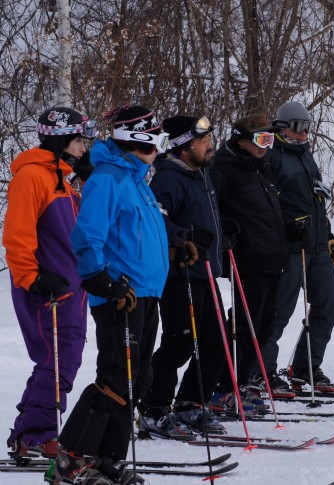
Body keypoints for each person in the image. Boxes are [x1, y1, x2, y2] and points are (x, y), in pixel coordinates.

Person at [54, 105, 169, 484]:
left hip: (146, 294)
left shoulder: (136, 179)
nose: (158, 143)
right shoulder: (108, 178)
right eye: (153, 135)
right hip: (120, 295)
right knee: (118, 377)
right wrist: (101, 279)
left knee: (139, 378)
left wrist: (178, 243)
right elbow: (87, 236)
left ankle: (107, 458)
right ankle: (72, 457)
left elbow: (141, 235)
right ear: (137, 137)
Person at [3, 107, 97, 459]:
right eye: (76, 140)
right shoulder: (32, 177)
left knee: (57, 360)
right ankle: (37, 434)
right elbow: (16, 234)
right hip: (47, 288)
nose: (82, 147)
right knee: (58, 359)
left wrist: (86, 180)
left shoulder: (60, 178)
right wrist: (32, 278)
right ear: (59, 140)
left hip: (70, 288)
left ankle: (29, 431)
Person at [136, 115, 228, 439]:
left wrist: (222, 238)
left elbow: (208, 221)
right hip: (180, 275)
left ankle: (190, 402)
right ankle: (153, 408)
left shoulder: (201, 176)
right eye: (203, 141)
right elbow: (155, 223)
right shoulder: (168, 179)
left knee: (218, 341)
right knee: (180, 343)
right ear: (184, 146)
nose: (209, 145)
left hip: (204, 272)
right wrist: (184, 235)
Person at [255, 101, 334, 393]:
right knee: (279, 312)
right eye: (297, 128)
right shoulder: (271, 157)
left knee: (328, 306)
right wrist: (291, 228)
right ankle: (262, 371)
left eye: (307, 127)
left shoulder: (305, 156)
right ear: (283, 128)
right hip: (290, 248)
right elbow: (267, 204)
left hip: (315, 246)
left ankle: (305, 367)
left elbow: (316, 200)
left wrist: (327, 235)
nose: (304, 133)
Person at [209, 115, 292, 404]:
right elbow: (212, 208)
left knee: (263, 327)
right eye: (260, 140)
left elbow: (266, 212)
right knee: (243, 327)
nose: (265, 146)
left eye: (269, 140)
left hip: (272, 259)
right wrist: (227, 231)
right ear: (240, 140)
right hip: (248, 259)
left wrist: (289, 230)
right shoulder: (223, 168)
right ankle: (223, 387)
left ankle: (241, 384)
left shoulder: (261, 167)